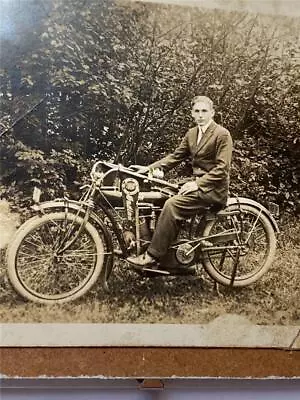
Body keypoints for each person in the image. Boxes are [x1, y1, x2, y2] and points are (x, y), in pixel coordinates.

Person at [127, 95, 233, 269]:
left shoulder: (222, 134)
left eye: (204, 111)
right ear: (192, 113)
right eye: (197, 111)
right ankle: (169, 254)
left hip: (213, 189)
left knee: (172, 205)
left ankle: (152, 256)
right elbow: (175, 157)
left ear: (212, 113)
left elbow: (222, 169)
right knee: (160, 197)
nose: (200, 115)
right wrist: (148, 169)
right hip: (197, 184)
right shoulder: (192, 133)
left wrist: (197, 184)